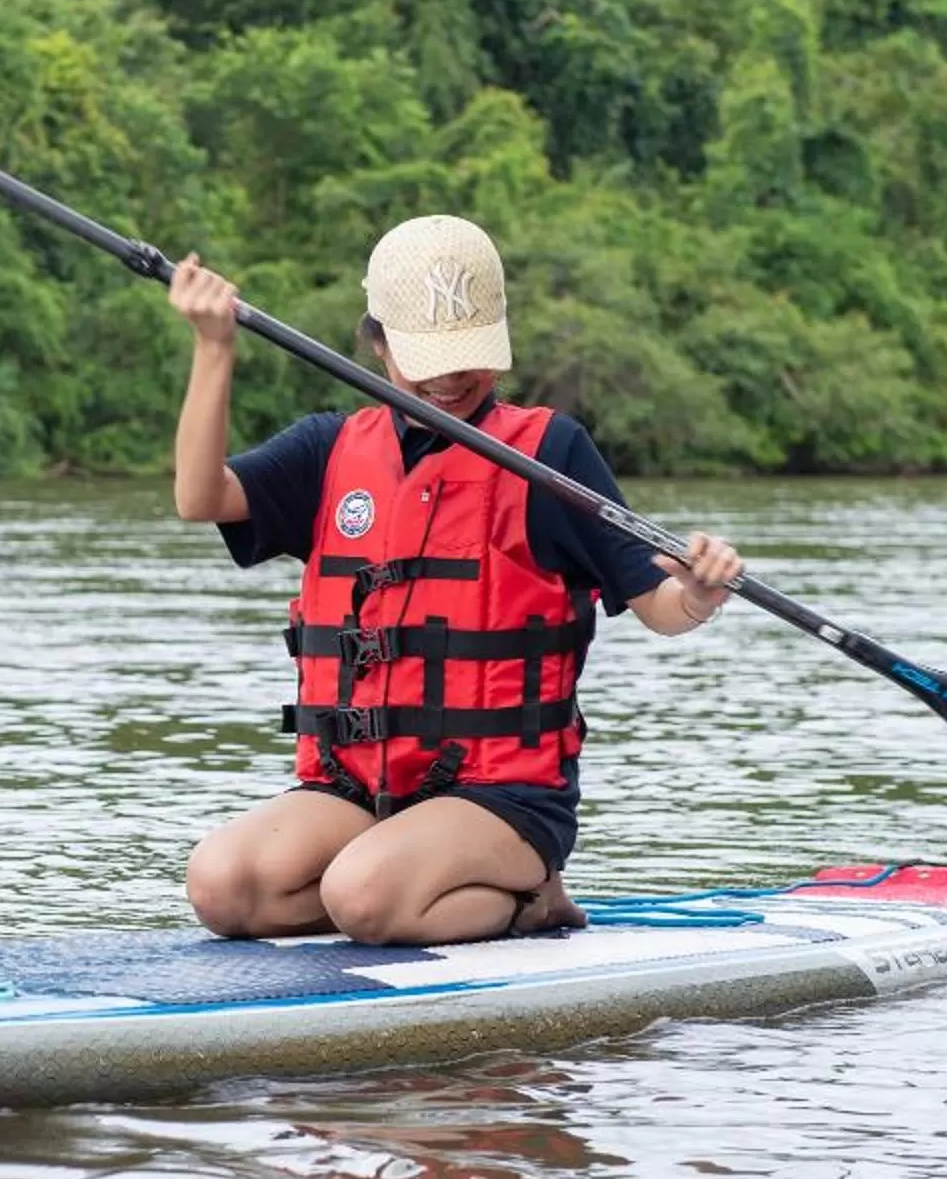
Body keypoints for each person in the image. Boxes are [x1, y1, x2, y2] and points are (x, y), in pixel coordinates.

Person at [169, 215, 745, 948]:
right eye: (424, 357)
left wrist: (699, 593)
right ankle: (398, 886)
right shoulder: (329, 449)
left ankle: (528, 896)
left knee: (362, 894)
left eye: (465, 355)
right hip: (359, 791)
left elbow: (660, 606)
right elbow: (199, 498)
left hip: (500, 795)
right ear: (377, 342)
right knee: (223, 886)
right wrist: (213, 347)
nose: (447, 378)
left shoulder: (551, 453)